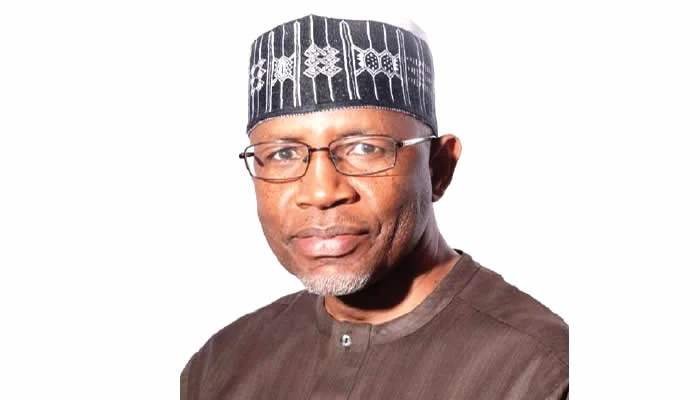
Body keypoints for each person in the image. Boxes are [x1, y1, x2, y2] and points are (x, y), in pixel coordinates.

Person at [181, 13, 568, 400]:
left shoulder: (542, 375)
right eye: (283, 153)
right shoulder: (218, 367)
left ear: (438, 168)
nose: (320, 192)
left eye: (364, 148)